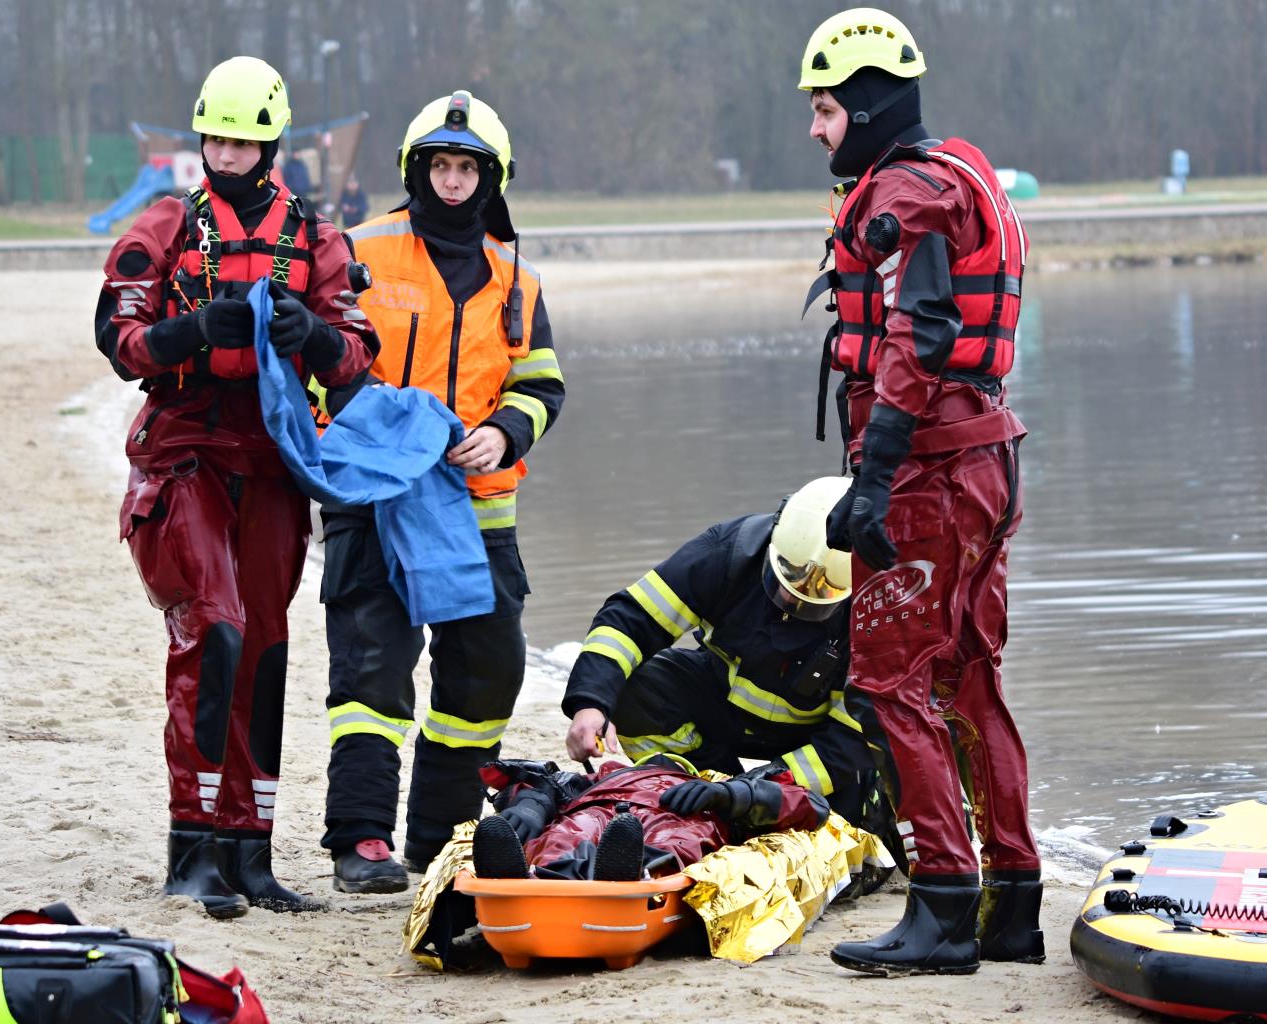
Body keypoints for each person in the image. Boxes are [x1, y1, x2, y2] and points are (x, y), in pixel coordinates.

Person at [94, 56, 378, 917]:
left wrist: (315, 341)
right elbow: (118, 335)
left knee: (263, 646)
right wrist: (189, 331)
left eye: (241, 140)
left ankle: (248, 851)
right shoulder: (168, 223)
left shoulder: (317, 237)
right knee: (212, 626)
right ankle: (192, 849)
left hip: (271, 461)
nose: (224, 152)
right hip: (185, 451)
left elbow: (358, 353)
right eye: (213, 136)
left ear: (270, 144)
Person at [796, 8, 1042, 974]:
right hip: (984, 460)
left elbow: (920, 335)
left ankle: (942, 903)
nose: (815, 129)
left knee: (889, 680)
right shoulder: (952, 173)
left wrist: (875, 479)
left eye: (823, 110)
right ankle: (1011, 901)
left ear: (863, 105)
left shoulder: (905, 196)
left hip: (932, 474)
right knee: (968, 678)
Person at [321, 90, 565, 893]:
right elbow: (319, 365)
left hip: (480, 506)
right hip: (374, 499)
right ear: (415, 170)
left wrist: (504, 432)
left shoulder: (515, 277)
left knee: (486, 673)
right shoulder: (360, 250)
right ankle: (360, 841)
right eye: (441, 166)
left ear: (493, 180)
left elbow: (542, 385)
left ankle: (441, 837)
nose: (454, 182)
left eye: (469, 168)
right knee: (371, 671)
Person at [561, 477, 880, 833]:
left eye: (818, 593)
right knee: (638, 692)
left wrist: (751, 793)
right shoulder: (730, 551)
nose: (794, 599)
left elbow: (847, 743)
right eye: (787, 577)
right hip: (724, 709)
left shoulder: (879, 610)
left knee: (835, 829)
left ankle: (737, 800)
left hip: (816, 742)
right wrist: (590, 703)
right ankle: (700, 793)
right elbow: (631, 618)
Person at [471, 755, 830, 882]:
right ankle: (532, 874)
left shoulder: (710, 787)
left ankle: (630, 870)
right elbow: (547, 784)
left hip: (683, 813)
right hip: (601, 803)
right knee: (569, 833)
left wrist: (730, 795)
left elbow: (811, 807)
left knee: (677, 842)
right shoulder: (608, 774)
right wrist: (531, 806)